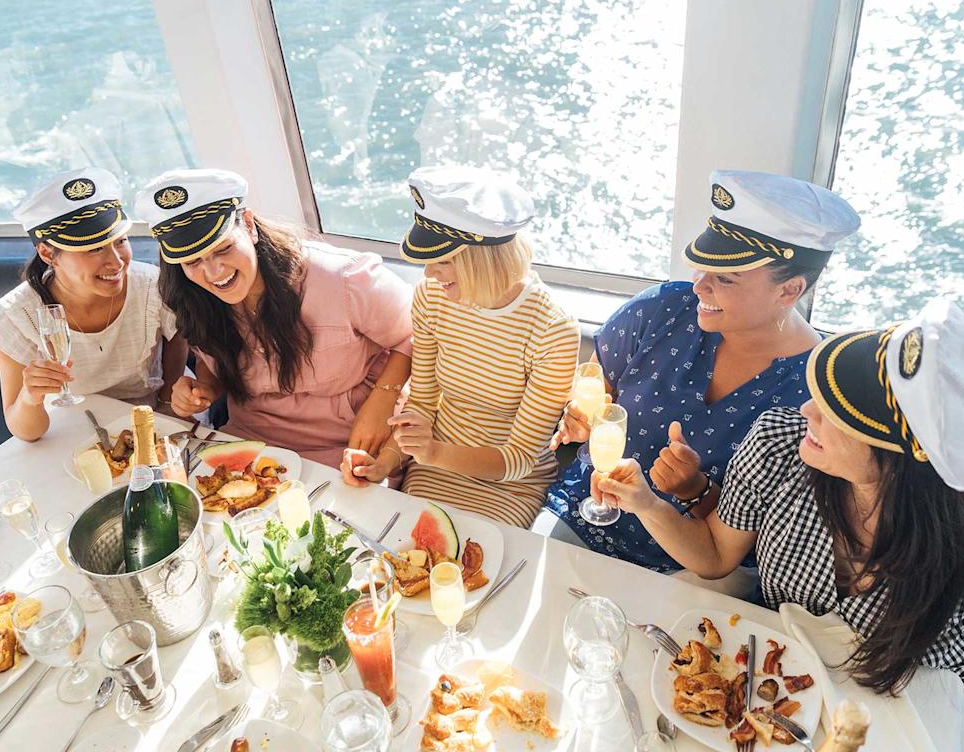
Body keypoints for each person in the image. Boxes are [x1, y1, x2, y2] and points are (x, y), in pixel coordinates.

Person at [594, 299, 964, 752]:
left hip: (917, 705)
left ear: (900, 462)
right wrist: (646, 503)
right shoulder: (777, 447)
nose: (806, 413)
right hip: (783, 683)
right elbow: (715, 556)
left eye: (835, 414)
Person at [538, 171, 860, 571]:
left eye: (724, 278)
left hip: (689, 568)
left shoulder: (815, 394)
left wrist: (696, 490)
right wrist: (579, 418)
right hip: (582, 512)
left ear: (789, 290)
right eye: (702, 267)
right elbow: (592, 385)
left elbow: (759, 537)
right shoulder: (659, 310)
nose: (698, 287)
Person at [342, 165, 580, 529]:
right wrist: (384, 464)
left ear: (484, 259)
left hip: (510, 485)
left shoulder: (553, 330)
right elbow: (421, 403)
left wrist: (435, 452)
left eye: (443, 262)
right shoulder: (431, 298)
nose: (428, 274)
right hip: (433, 468)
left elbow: (518, 459)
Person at [137, 169, 413, 467]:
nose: (214, 272)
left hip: (349, 445)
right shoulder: (191, 297)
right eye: (193, 261)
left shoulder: (342, 277)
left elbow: (417, 334)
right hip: (249, 440)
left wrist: (383, 400)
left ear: (249, 225)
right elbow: (212, 362)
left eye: (224, 249)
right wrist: (204, 389)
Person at [0, 168, 187, 441]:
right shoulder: (14, 318)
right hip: (73, 433)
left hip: (150, 415)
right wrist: (30, 397)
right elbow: (26, 433)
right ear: (46, 252)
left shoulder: (153, 286)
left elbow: (178, 343)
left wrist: (166, 406)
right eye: (94, 248)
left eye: (121, 241)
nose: (116, 262)